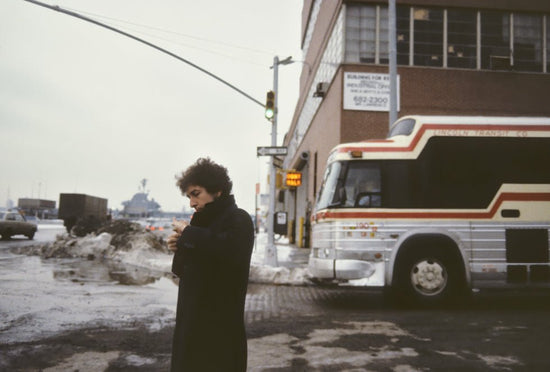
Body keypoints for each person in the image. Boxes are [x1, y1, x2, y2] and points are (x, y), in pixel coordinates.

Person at [167, 158, 254, 372]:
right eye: (189, 197)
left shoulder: (239, 218)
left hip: (220, 328)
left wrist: (188, 234)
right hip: (190, 325)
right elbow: (180, 271)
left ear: (217, 190)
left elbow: (228, 250)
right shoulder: (199, 222)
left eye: (196, 194)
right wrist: (178, 247)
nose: (192, 203)